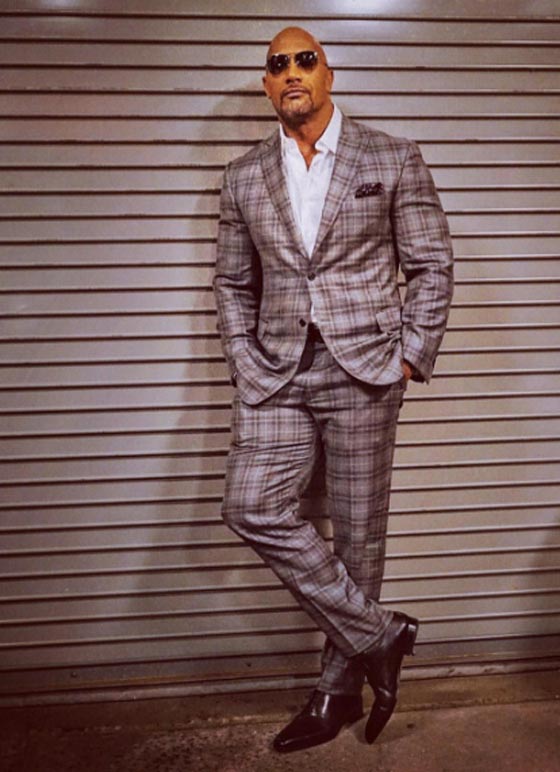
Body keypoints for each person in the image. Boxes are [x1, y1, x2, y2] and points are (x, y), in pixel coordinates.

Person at [213, 26, 454, 753]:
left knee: (357, 536)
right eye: (277, 64)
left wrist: (410, 356)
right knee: (250, 506)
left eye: (305, 60)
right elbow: (231, 282)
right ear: (267, 85)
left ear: (328, 75)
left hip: (365, 369)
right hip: (276, 372)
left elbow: (432, 263)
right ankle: (382, 635)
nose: (292, 72)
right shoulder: (243, 175)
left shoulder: (392, 157)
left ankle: (335, 693)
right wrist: (243, 359)